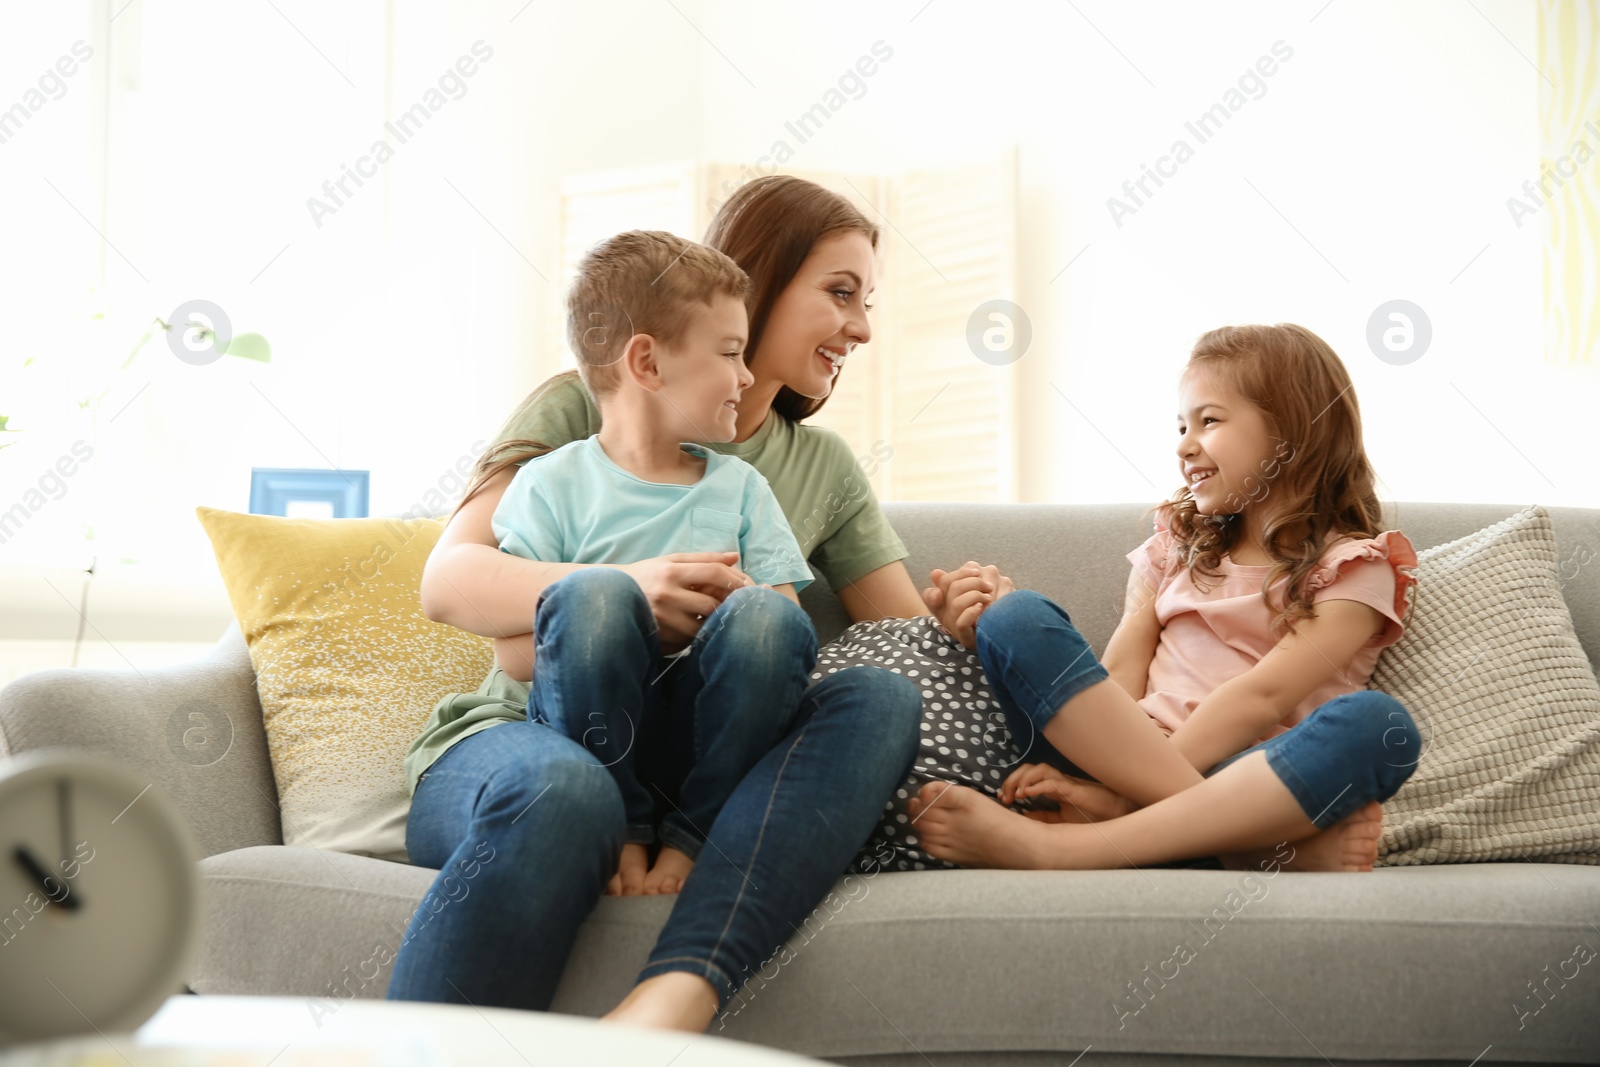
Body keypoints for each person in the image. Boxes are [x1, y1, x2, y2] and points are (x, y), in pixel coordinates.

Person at [388, 176, 957, 1031]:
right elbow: (450, 583)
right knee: (568, 789)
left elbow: (899, 641)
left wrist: (970, 618)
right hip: (529, 734)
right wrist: (627, 589)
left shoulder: (816, 467)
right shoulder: (589, 401)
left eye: (866, 301)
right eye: (840, 293)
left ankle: (678, 989)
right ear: (755, 284)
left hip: (701, 757)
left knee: (880, 699)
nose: (863, 327)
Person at [905, 323, 1423, 873]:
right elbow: (1121, 670)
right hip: (1115, 764)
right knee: (1017, 618)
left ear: (1293, 433)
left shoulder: (1355, 570)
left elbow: (1262, 696)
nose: (1184, 445)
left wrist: (1122, 801)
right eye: (1181, 425)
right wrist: (1104, 777)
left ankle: (1072, 846)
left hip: (1250, 780)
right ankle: (1251, 849)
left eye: (1209, 420)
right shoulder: (1176, 548)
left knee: (1380, 728)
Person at [482, 229, 819, 897]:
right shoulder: (549, 484)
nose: (748, 377)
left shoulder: (741, 488)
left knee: (761, 617)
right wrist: (630, 618)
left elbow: (788, 635)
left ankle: (694, 838)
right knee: (595, 596)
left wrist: (736, 610)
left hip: (697, 738)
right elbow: (516, 659)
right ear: (647, 363)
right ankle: (623, 831)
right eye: (730, 353)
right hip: (587, 740)